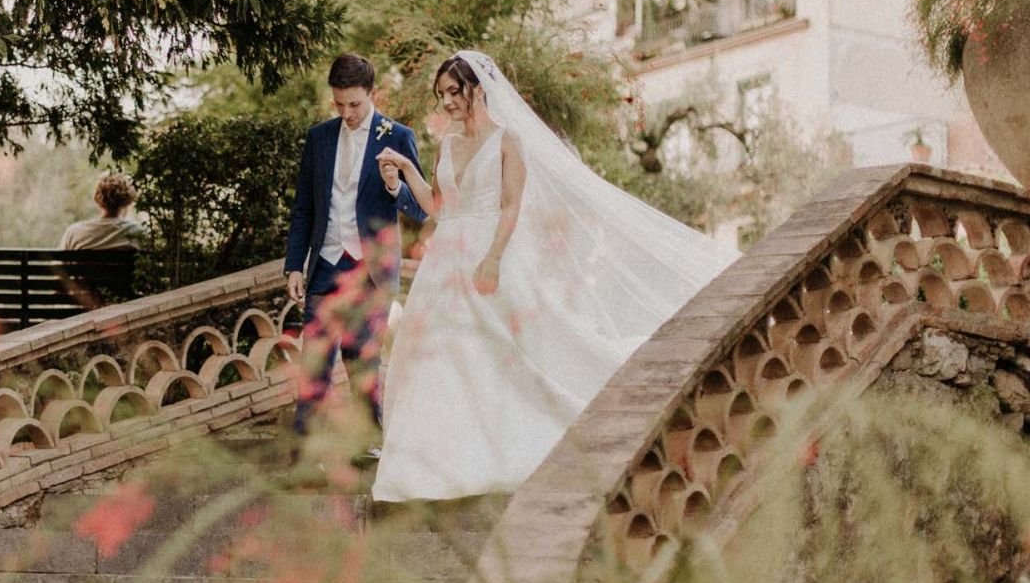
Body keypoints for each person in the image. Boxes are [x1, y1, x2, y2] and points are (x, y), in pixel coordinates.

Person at [369, 52, 737, 502]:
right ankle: (435, 464)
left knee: (500, 352)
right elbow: (440, 209)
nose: (446, 102)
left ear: (477, 89)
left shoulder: (508, 141)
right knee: (436, 357)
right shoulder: (446, 145)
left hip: (488, 254)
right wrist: (406, 171)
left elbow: (511, 207)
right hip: (445, 264)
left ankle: (506, 445)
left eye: (453, 91)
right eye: (441, 94)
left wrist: (493, 258)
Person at [283, 54, 427, 444]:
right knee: (314, 362)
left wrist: (395, 186)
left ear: (372, 93)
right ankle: (305, 449)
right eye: (339, 104)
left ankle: (367, 445)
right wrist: (295, 265)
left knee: (362, 364)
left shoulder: (398, 136)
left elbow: (421, 208)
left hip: (371, 270)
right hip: (326, 265)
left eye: (354, 104)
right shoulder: (319, 137)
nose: (346, 113)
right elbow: (304, 208)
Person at [61, 174, 148, 251]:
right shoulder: (139, 233)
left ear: (97, 198)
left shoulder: (74, 233)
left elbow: (61, 263)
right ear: (129, 201)